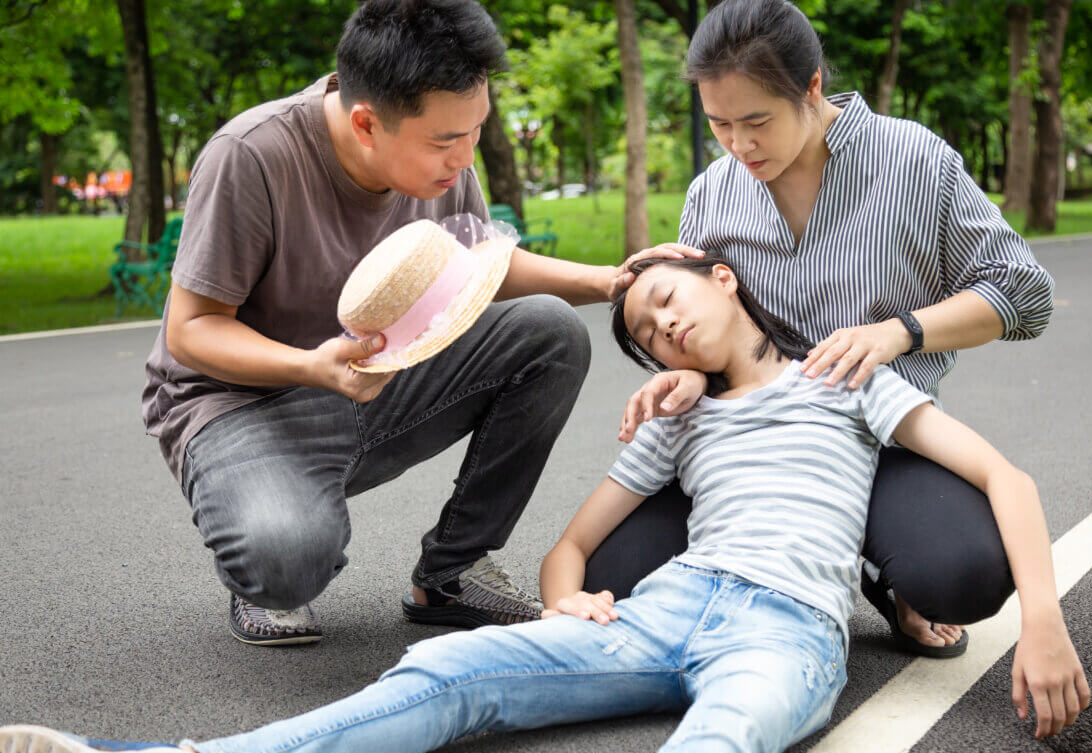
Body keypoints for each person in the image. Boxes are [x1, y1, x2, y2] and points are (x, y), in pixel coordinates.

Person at [0, 255, 1090, 753]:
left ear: (722, 278)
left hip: (789, 629)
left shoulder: (846, 379)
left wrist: (1040, 621)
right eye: (646, 333)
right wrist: (565, 596)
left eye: (666, 301)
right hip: (669, 607)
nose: (661, 329)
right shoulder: (676, 417)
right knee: (448, 667)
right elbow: (573, 549)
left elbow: (1003, 477)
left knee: (725, 740)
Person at [142, 0, 693, 645]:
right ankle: (272, 540)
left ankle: (453, 569)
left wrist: (608, 281)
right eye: (445, 142)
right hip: (239, 403)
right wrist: (309, 367)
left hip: (370, 378)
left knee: (548, 331)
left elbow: (479, 268)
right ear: (367, 123)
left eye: (476, 131)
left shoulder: (441, 155)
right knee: (288, 561)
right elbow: (192, 329)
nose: (464, 157)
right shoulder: (252, 157)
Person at [589, 0, 1056, 658]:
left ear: (811, 88)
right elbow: (703, 321)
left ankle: (879, 573)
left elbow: (1024, 293)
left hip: (882, 434)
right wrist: (688, 375)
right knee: (612, 577)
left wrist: (899, 333)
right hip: (752, 445)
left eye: (756, 121)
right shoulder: (712, 194)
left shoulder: (913, 161)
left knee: (963, 574)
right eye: (719, 124)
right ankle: (804, 563)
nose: (738, 145)